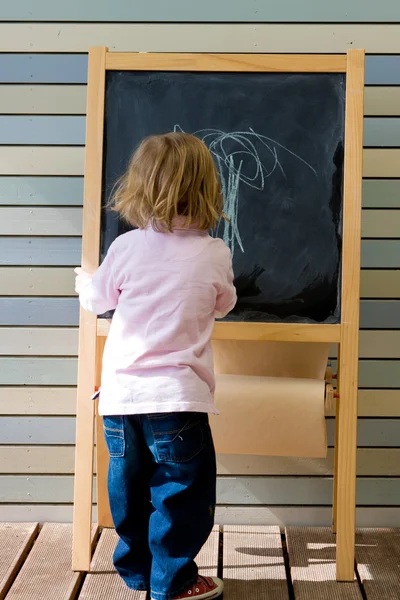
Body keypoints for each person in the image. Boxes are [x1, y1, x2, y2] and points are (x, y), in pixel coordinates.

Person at [75, 132, 237, 600]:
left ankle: (138, 573)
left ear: (140, 187)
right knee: (180, 493)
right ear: (208, 189)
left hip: (121, 398)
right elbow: (224, 302)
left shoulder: (126, 248)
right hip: (178, 399)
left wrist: (84, 281)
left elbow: (98, 299)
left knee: (127, 488)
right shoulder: (214, 253)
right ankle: (176, 581)